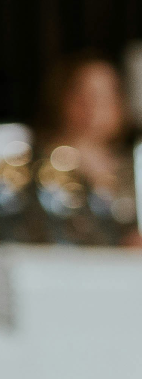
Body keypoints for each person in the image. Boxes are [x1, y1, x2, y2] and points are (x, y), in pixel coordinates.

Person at [32, 51, 140, 246]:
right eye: (83, 95)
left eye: (105, 95)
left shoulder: (133, 167)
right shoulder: (39, 166)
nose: (94, 106)